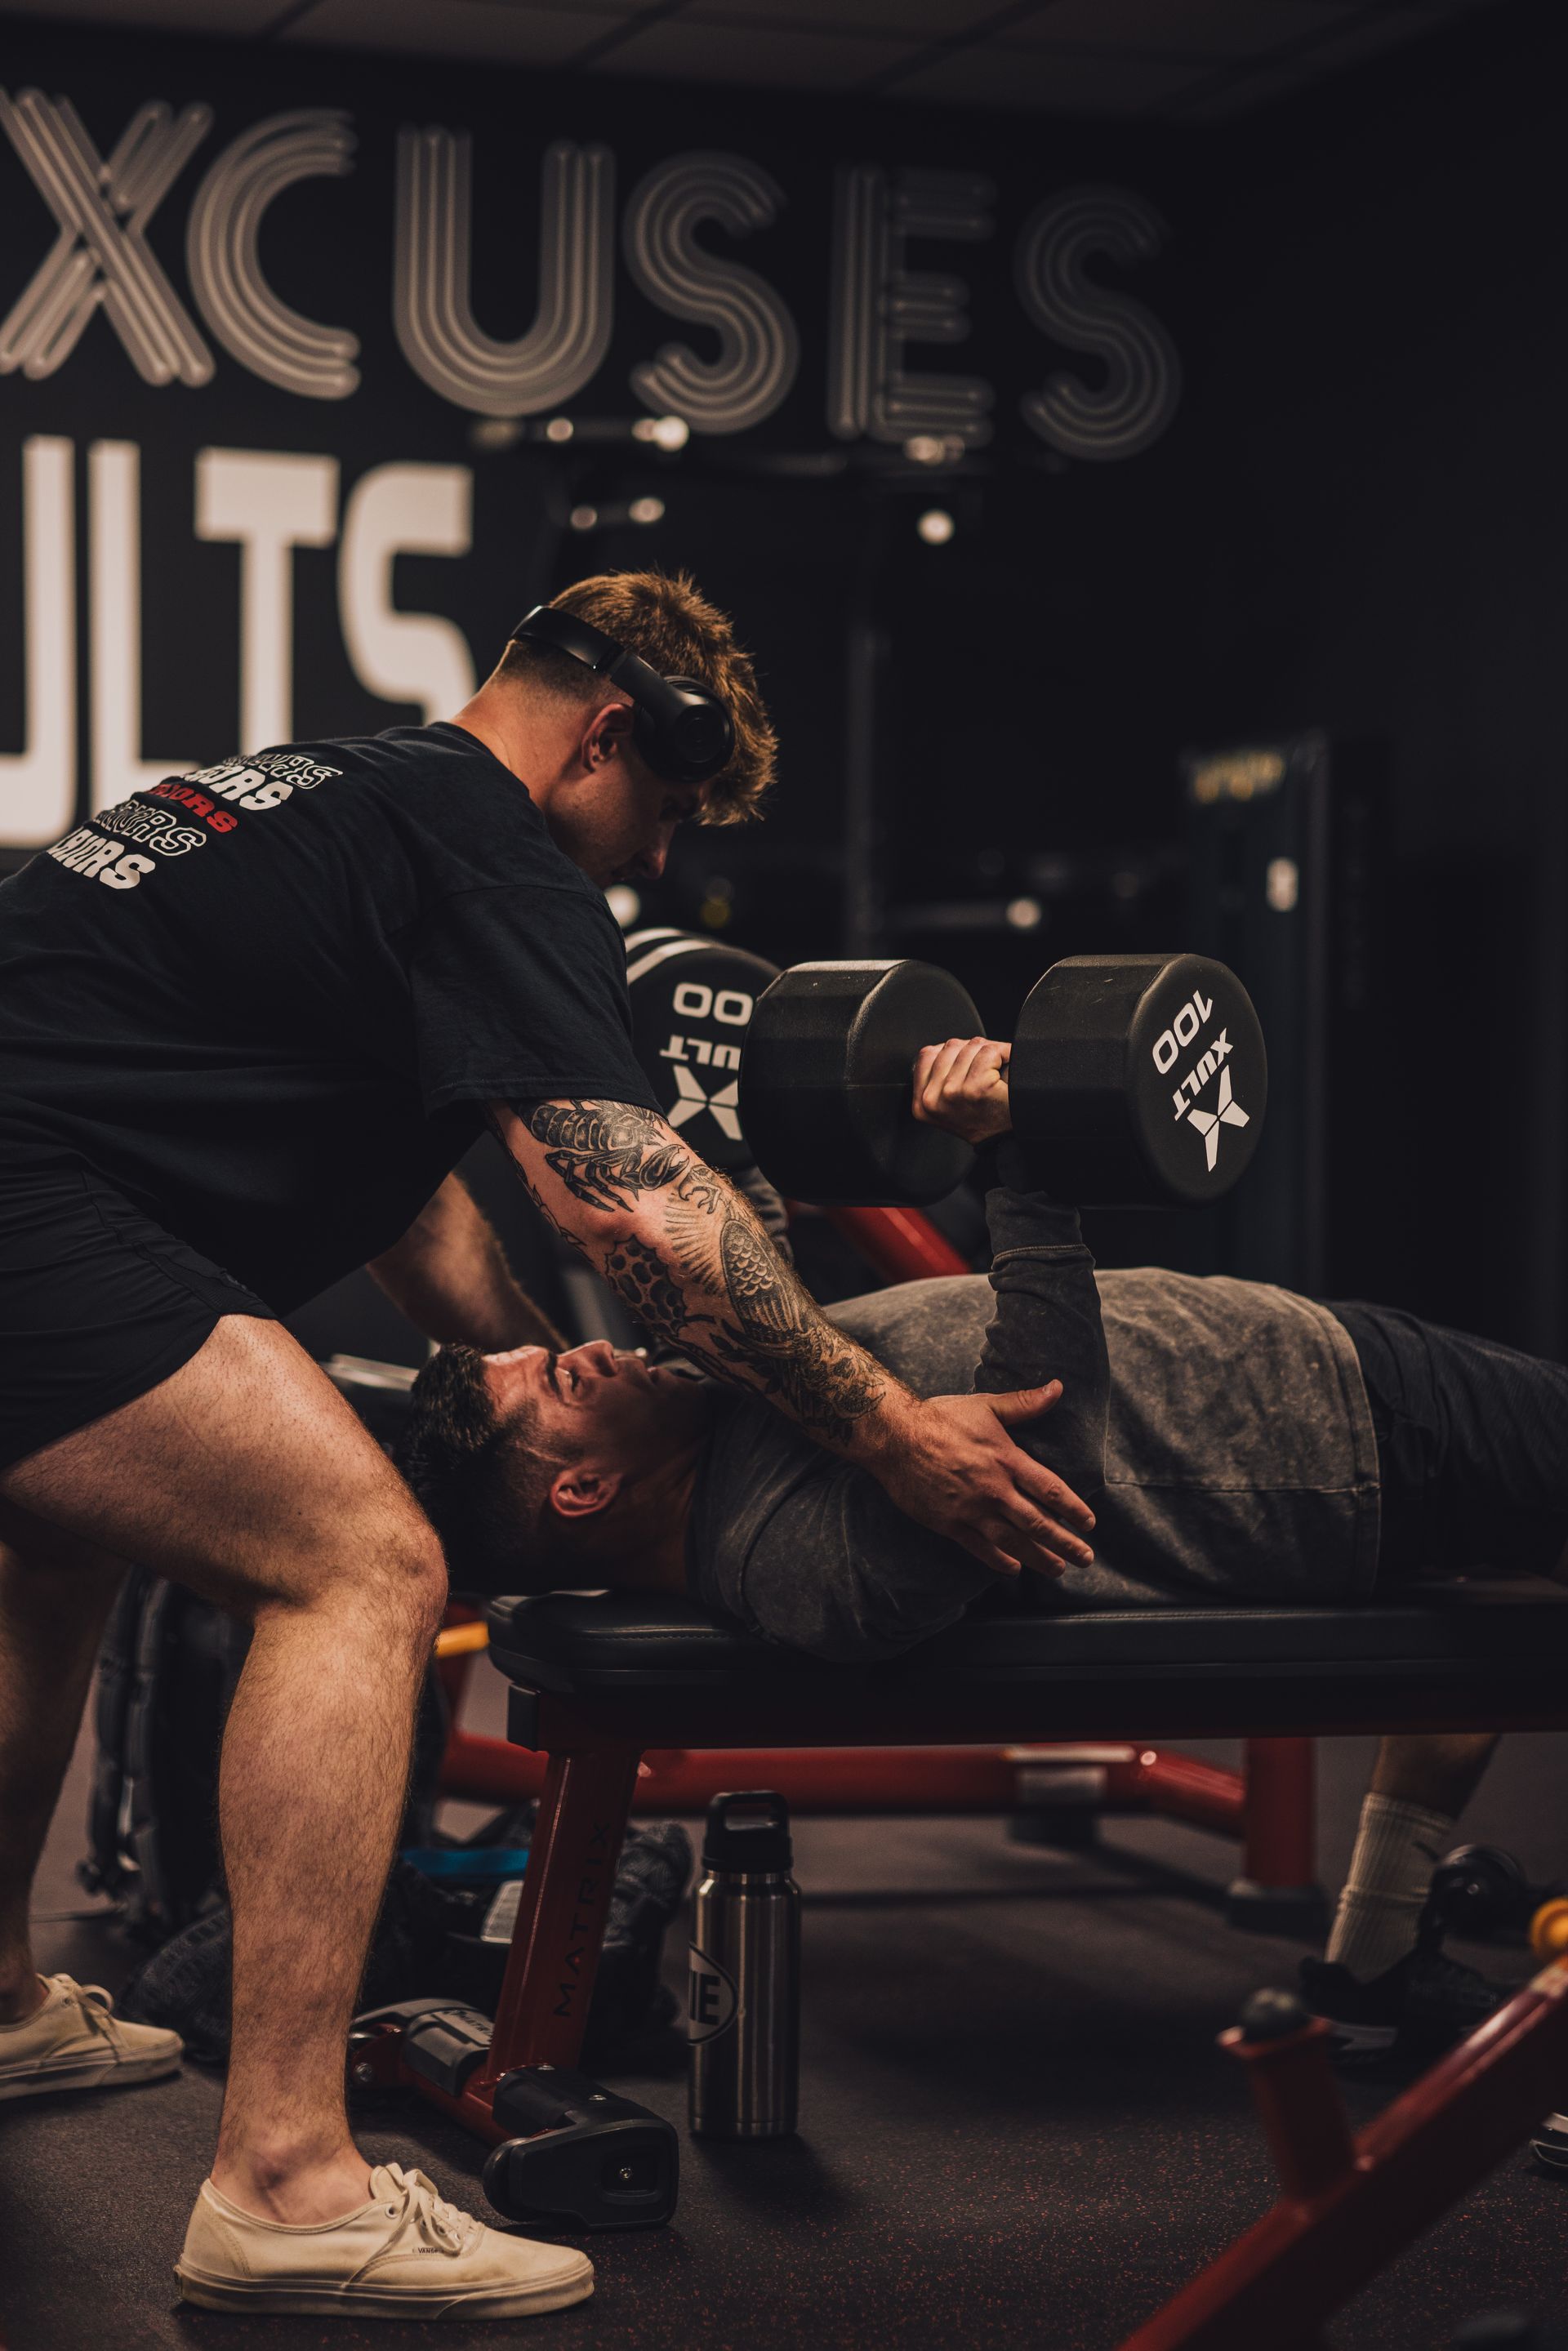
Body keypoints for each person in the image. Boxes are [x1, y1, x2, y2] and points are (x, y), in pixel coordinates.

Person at [0, 574, 1094, 2323]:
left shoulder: (334, 795)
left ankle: (0, 2003)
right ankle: (286, 2183)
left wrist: (507, 1358)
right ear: (608, 737)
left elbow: (421, 1197)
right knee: (357, 1560)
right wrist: (889, 1434)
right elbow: (639, 1201)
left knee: (52, 1539)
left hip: (41, 1198)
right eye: (660, 813)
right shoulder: (495, 849)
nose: (650, 866)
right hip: (36, 1211)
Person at [399, 1035, 1568, 2069]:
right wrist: (1024, 1158)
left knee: (1501, 1612)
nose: (586, 1355)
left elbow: (752, 1254)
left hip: (1326, 1382)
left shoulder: (710, 1415)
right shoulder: (795, 1570)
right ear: (585, 1489)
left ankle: (1371, 1968)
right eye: (558, 1382)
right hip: (1347, 1443)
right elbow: (1042, 1438)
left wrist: (766, 1102)